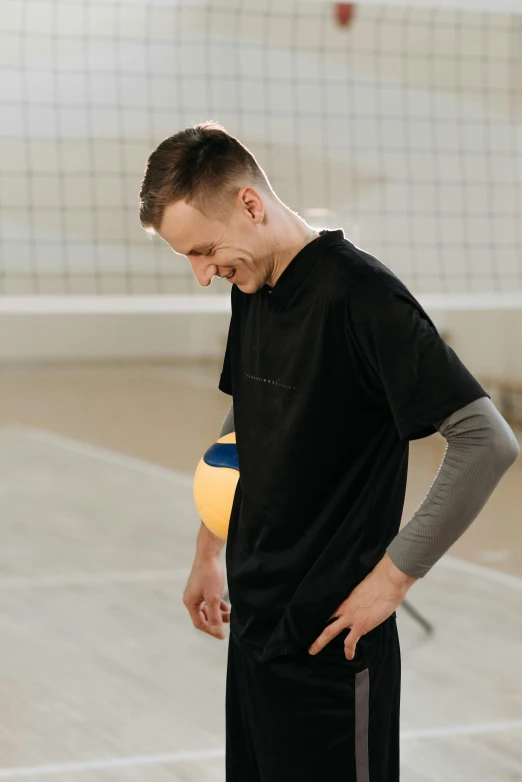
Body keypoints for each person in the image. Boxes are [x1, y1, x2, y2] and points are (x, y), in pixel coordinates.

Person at [139, 122, 520, 782]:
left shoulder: (362, 297)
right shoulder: (251, 286)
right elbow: (244, 425)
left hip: (333, 645)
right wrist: (210, 548)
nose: (204, 275)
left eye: (204, 251)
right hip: (257, 630)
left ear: (250, 205)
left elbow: (487, 439)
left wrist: (393, 578)